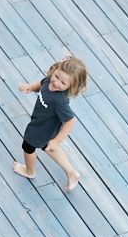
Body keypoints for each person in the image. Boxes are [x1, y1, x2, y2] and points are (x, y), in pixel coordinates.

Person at [14, 55, 88, 191]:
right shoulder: (49, 80)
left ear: (71, 86)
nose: (56, 83)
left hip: (41, 128)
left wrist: (57, 140)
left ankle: (29, 171)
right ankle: (72, 173)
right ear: (55, 70)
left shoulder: (59, 101)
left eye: (63, 83)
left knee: (28, 146)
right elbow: (41, 84)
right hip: (44, 123)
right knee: (49, 147)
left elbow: (70, 121)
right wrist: (30, 87)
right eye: (56, 76)